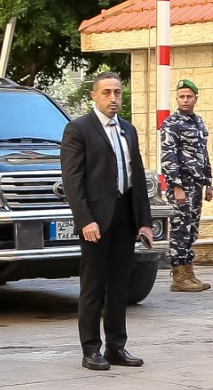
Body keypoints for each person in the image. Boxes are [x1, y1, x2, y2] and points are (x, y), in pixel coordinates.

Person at [61, 72, 153, 370]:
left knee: (119, 286)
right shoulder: (78, 130)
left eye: (117, 93)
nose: (114, 98)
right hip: (96, 222)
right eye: (107, 93)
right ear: (94, 96)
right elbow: (73, 181)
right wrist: (85, 220)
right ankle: (91, 349)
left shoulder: (128, 130)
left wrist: (144, 221)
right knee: (93, 286)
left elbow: (137, 176)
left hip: (124, 218)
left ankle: (117, 346)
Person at [158, 79, 213, 292]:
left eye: (189, 96)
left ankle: (188, 271)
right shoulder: (172, 123)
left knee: (192, 230)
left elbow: (203, 154)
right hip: (181, 184)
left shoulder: (198, 122)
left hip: (196, 185)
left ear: (196, 98)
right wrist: (176, 185)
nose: (185, 100)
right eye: (182, 96)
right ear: (177, 98)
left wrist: (208, 182)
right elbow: (168, 156)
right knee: (181, 228)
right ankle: (179, 276)